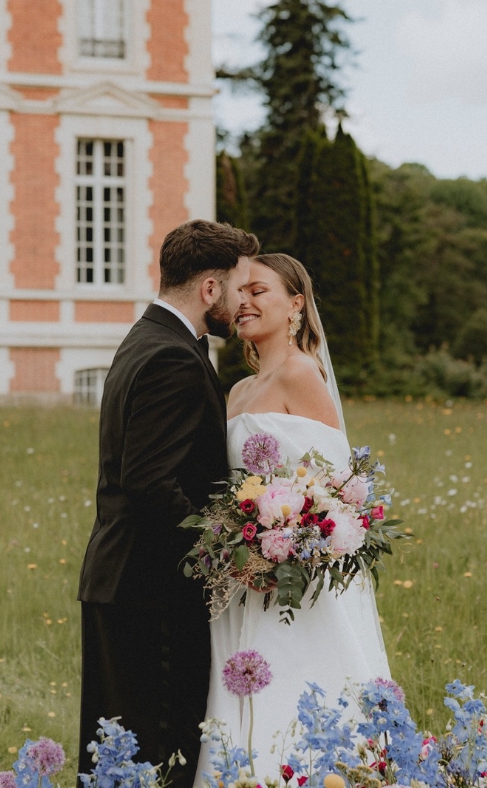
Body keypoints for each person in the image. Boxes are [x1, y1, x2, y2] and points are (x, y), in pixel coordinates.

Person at [193, 253, 391, 786]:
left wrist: (288, 538)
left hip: (296, 580)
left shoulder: (303, 374)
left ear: (296, 304)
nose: (245, 302)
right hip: (241, 577)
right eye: (241, 293)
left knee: (298, 686)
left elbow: (336, 489)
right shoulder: (236, 390)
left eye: (260, 291)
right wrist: (239, 543)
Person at [77, 220, 260, 788]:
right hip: (151, 592)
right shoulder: (173, 358)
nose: (242, 302)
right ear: (210, 289)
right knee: (157, 754)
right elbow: (151, 483)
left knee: (120, 756)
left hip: (125, 582)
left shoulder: (148, 339)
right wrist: (221, 558)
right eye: (238, 288)